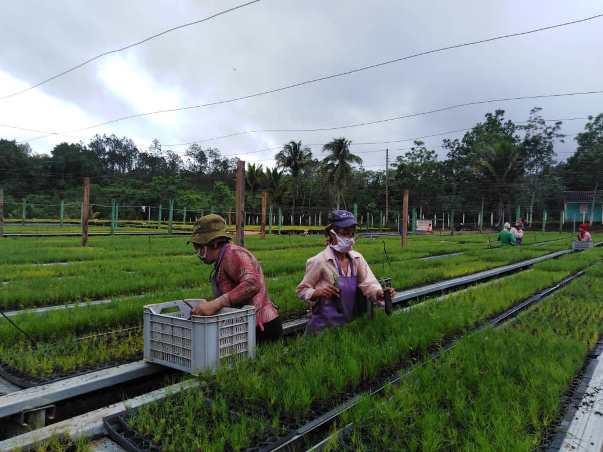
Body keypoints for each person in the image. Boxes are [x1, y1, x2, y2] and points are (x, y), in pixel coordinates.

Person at [296, 210, 396, 334]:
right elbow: (302, 290)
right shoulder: (319, 261)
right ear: (333, 234)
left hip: (346, 327)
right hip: (321, 329)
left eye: (352, 234)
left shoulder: (357, 259)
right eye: (345, 234)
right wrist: (317, 292)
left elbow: (368, 283)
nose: (349, 238)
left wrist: (379, 293)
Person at [189, 214, 282, 341]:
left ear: (215, 243)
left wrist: (217, 303)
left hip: (260, 328)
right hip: (246, 325)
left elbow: (252, 283)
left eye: (200, 247)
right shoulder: (222, 259)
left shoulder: (233, 254)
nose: (198, 253)